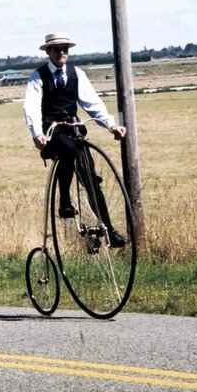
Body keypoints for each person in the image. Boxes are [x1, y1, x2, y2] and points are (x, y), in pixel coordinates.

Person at [22, 31, 128, 245]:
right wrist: (37, 134)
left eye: (65, 49)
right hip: (51, 131)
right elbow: (31, 106)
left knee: (91, 180)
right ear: (49, 51)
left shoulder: (76, 73)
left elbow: (92, 103)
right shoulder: (38, 76)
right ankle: (64, 202)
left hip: (73, 128)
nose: (62, 52)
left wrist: (111, 125)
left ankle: (109, 231)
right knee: (67, 148)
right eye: (57, 49)